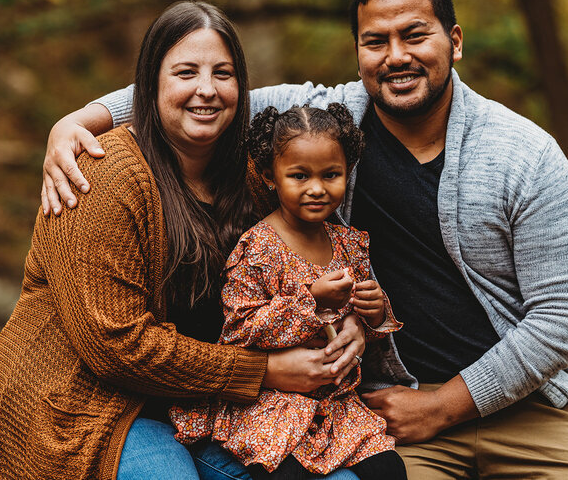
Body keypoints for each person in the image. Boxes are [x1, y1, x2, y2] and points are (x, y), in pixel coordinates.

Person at [40, 0, 568, 479]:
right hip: (394, 412)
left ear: (455, 41)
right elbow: (203, 91)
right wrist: (78, 121)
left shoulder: (524, 155)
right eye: (376, 41)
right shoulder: (326, 125)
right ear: (358, 51)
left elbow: (567, 314)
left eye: (415, 35)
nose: (396, 56)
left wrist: (445, 405)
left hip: (530, 414)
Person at [0, 0, 365, 480]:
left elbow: (290, 281)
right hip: (86, 405)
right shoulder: (104, 176)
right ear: (149, 84)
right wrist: (262, 371)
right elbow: (117, 347)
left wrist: (349, 323)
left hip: (201, 400)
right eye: (186, 72)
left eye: (222, 74)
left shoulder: (251, 176)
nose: (206, 90)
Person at [169, 104, 407, 480]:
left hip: (337, 405)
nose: (316, 188)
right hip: (271, 405)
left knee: (389, 469)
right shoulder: (258, 248)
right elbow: (240, 331)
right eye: (299, 175)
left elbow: (365, 332)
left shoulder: (348, 243)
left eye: (332, 175)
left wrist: (374, 315)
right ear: (270, 176)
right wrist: (310, 300)